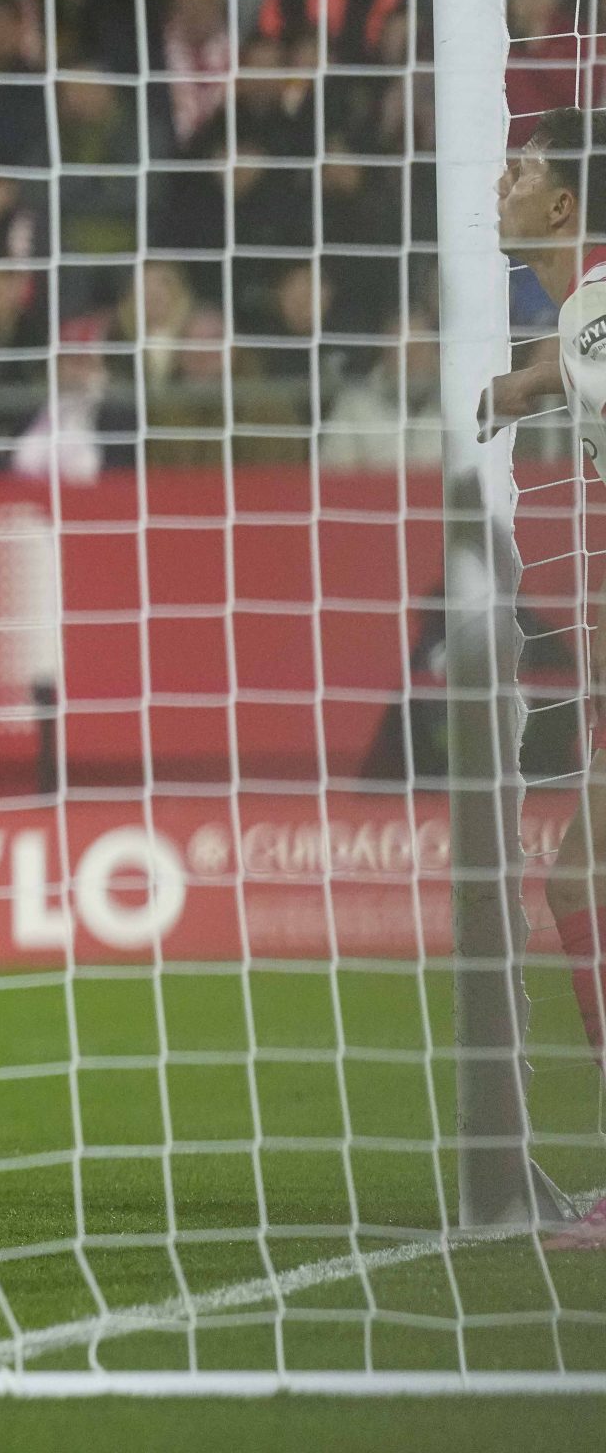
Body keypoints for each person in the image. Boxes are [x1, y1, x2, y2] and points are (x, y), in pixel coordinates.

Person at [483, 105, 606, 1253]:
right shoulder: (579, 318)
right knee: (574, 877)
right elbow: (566, 368)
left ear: (562, 207)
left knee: (576, 877)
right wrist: (512, 392)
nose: (502, 177)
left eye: (521, 166)